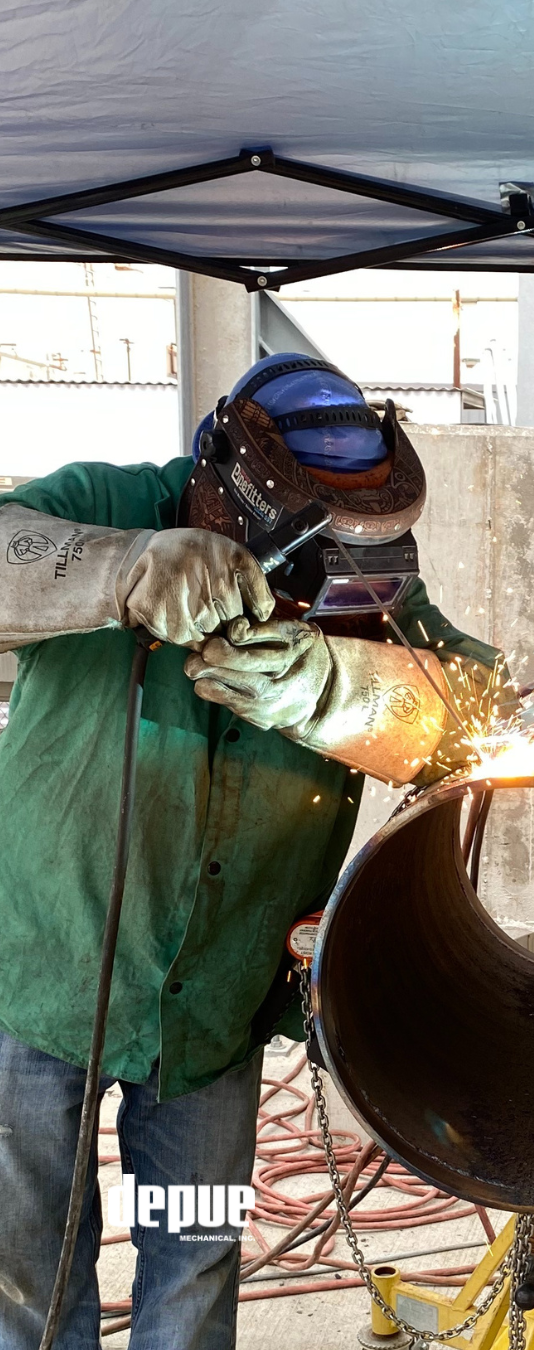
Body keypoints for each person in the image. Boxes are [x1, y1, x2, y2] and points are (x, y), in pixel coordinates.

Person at [0, 353, 506, 1348]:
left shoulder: (365, 588)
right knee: (27, 1273)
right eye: (308, 544)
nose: (323, 578)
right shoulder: (111, 500)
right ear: (227, 488)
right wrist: (124, 570)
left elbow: (483, 708)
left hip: (211, 1016)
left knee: (192, 1258)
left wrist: (345, 684)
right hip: (38, 977)